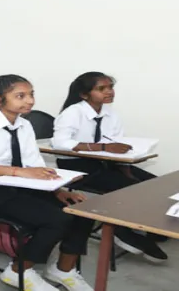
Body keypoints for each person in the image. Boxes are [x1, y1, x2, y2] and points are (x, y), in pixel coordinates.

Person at [0, 75, 95, 291]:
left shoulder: (24, 125)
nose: (29, 101)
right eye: (20, 96)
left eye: (31, 94)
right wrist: (18, 172)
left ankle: (63, 269)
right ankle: (19, 270)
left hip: (18, 182)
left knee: (82, 211)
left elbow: (34, 165)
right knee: (55, 219)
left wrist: (58, 191)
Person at [51, 71, 167, 262]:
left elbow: (117, 143)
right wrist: (102, 147)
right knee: (126, 189)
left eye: (111, 87)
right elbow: (60, 143)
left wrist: (127, 170)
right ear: (84, 94)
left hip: (105, 162)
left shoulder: (110, 114)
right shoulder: (72, 113)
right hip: (77, 165)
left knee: (152, 185)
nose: (109, 92)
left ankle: (147, 229)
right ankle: (121, 231)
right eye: (101, 88)